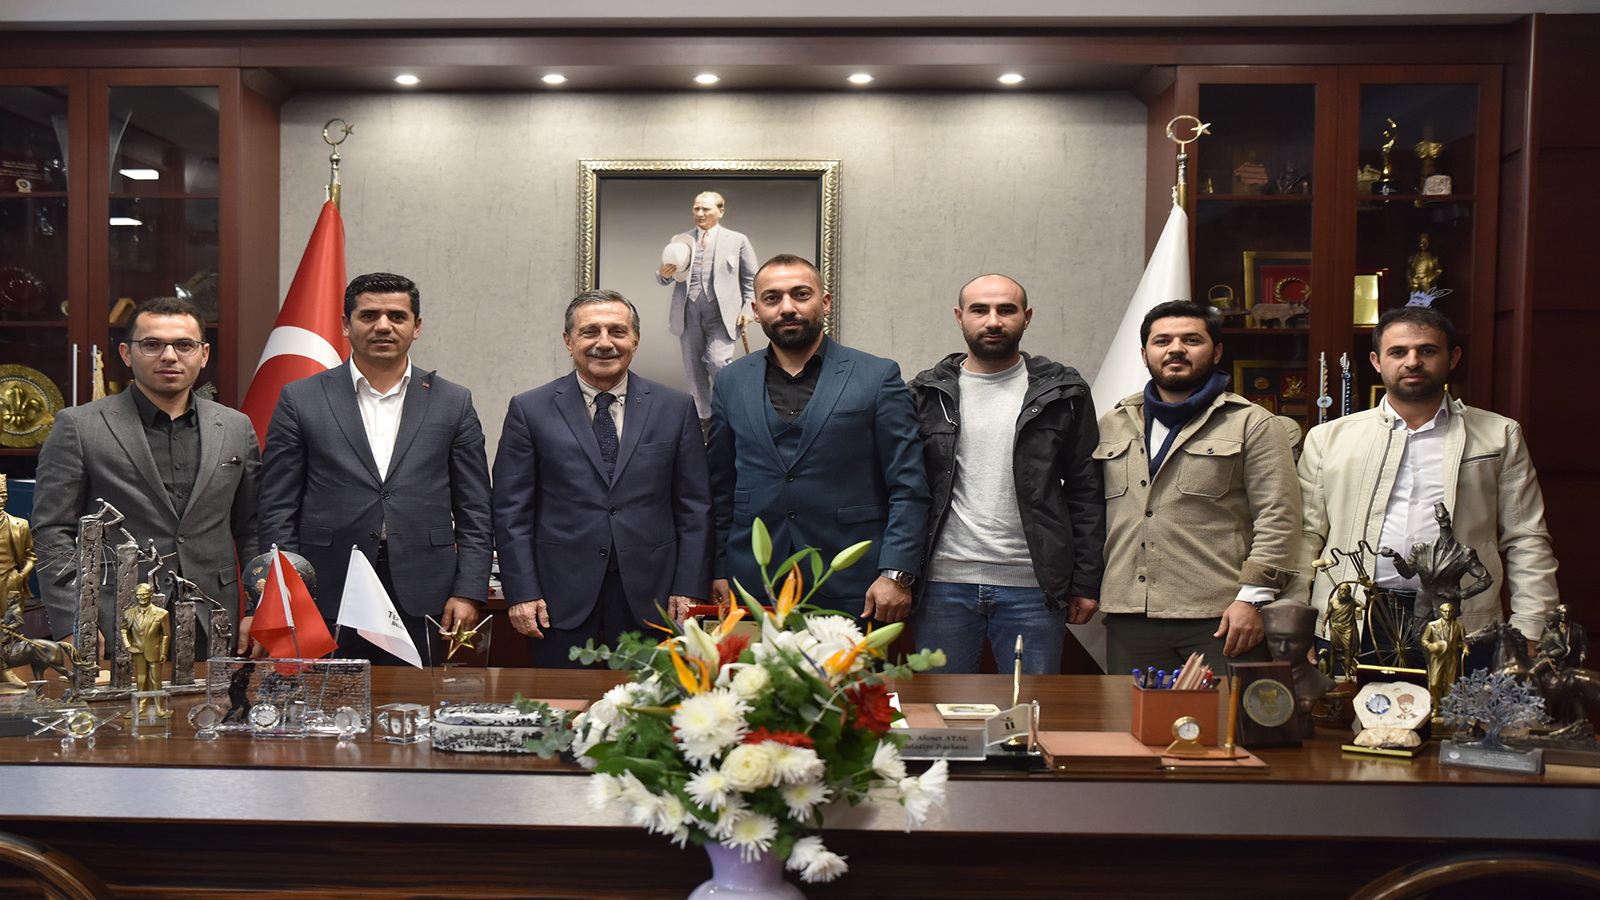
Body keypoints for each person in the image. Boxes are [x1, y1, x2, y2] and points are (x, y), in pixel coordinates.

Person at [1294, 306, 1558, 671]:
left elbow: (1525, 536)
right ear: (1376, 361)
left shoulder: (1499, 435)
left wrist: (1532, 623)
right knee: (1350, 711)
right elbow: (1305, 535)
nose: (1412, 361)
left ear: (1453, 358)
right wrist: (1293, 618)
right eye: (1398, 351)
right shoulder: (1329, 439)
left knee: (1461, 709)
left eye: (1427, 350)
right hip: (1354, 618)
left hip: (1461, 621)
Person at [258, 272, 493, 665]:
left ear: (416, 327)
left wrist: (468, 590)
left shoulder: (453, 402)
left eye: (397, 316)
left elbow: (476, 509)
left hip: (427, 591)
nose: (383, 326)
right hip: (325, 589)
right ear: (345, 324)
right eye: (368, 315)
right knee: (328, 698)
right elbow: (277, 507)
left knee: (416, 698)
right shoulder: (301, 398)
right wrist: (287, 591)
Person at [492, 290, 712, 667]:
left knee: (650, 699)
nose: (605, 342)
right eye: (590, 331)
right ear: (569, 341)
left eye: (617, 331)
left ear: (635, 340)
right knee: (562, 701)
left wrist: (689, 586)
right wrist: (522, 592)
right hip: (557, 598)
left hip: (655, 596)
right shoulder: (530, 409)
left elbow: (695, 507)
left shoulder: (675, 408)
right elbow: (511, 511)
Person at [32, 296, 259, 658]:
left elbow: (252, 529)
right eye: (152, 344)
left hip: (212, 618)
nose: (169, 356)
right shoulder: (79, 426)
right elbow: (51, 531)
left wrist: (259, 608)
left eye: (184, 345)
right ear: (126, 353)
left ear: (203, 354)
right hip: (113, 619)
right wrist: (75, 620)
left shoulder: (235, 427)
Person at [707, 254, 929, 621]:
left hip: (855, 581)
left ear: (824, 302)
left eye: (801, 294)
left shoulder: (877, 376)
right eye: (772, 298)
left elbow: (909, 486)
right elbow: (720, 488)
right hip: (752, 582)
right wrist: (717, 567)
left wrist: (896, 573)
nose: (787, 308)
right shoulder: (731, 381)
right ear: (756, 311)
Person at [907, 274, 1104, 674]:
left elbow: (1086, 492)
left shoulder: (1064, 392)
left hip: (1035, 587)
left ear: (1026, 317)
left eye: (1006, 310)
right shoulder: (925, 394)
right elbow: (904, 490)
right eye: (980, 310)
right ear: (960, 317)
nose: (993, 321)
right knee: (944, 708)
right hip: (942, 584)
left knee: (1029, 706)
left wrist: (1085, 581)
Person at [1097, 300, 1301, 674]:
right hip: (1131, 616)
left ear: (1217, 351)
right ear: (1144, 354)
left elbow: (1280, 519)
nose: (1176, 349)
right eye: (1162, 341)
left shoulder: (1252, 423)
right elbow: (1090, 513)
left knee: (1225, 714)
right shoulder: (1112, 424)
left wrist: (1253, 600)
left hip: (1221, 617)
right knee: (1132, 714)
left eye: (1191, 340)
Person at [655, 191, 759, 423]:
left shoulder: (737, 240)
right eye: (696, 209)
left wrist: (747, 309)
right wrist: (663, 275)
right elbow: (664, 277)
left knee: (718, 363)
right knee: (693, 368)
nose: (700, 213)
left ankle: (726, 414)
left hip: (722, 314)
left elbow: (752, 279)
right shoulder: (681, 240)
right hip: (688, 312)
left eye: (706, 209)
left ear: (720, 211)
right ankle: (703, 418)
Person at [121, 582, 172, 718]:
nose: (142, 597)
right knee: (141, 679)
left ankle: (159, 708)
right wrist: (128, 646)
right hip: (138, 652)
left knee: (156, 680)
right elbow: (124, 630)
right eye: (139, 595)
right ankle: (142, 706)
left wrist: (163, 652)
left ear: (151, 595)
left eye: (144, 594)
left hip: (154, 652)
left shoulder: (162, 614)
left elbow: (166, 634)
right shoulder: (129, 613)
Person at [1422, 601, 1466, 708]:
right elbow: (1424, 639)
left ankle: (1448, 708)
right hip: (1438, 657)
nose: (1447, 614)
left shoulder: (1459, 626)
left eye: (1450, 612)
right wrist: (1429, 646)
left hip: (1452, 657)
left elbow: (1463, 641)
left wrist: (1466, 648)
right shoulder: (1432, 625)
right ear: (1440, 612)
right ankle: (1436, 707)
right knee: (1434, 683)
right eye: (1445, 611)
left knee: (1451, 684)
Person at [0, 475, 35, 607]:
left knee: (12, 618)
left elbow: (30, 557)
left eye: (3, 496)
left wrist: (20, 577)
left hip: (11, 584)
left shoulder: (20, 525)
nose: (0, 501)